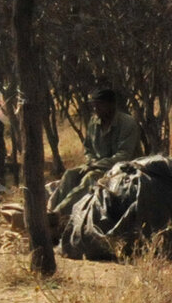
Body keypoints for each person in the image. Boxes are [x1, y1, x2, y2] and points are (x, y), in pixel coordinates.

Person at [49, 87, 143, 217]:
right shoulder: (94, 122)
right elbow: (88, 148)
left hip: (124, 168)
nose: (95, 109)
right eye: (94, 105)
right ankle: (51, 211)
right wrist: (91, 161)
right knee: (70, 174)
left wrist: (96, 165)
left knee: (89, 178)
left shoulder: (127, 123)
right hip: (96, 165)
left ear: (111, 105)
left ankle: (60, 214)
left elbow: (124, 155)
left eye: (99, 105)